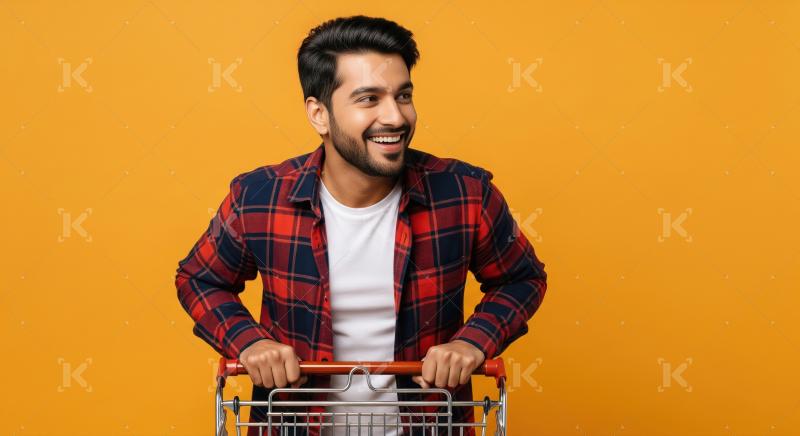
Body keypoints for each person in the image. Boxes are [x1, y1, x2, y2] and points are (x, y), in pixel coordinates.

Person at [175, 15, 547, 436]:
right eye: (369, 99)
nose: (395, 117)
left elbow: (521, 278)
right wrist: (249, 341)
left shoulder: (465, 194)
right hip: (295, 426)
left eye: (403, 95)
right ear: (319, 114)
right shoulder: (258, 198)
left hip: (430, 425)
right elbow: (199, 279)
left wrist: (472, 342)